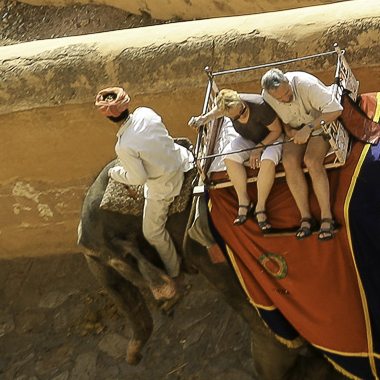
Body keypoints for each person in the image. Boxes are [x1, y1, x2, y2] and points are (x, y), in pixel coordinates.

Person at [96, 86, 193, 288]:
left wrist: (115, 173)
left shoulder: (123, 146)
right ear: (127, 104)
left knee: (152, 232)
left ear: (108, 118)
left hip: (165, 185)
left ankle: (175, 273)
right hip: (181, 159)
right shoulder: (145, 112)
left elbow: (139, 178)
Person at [261, 65, 349, 239]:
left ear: (287, 81)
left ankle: (327, 217)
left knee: (311, 160)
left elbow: (336, 110)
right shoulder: (267, 96)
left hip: (319, 125)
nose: (286, 99)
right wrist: (288, 130)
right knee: (289, 162)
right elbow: (279, 117)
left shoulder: (306, 85)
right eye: (280, 99)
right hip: (295, 130)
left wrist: (309, 128)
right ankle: (306, 217)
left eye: (287, 93)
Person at [189, 87, 284, 227]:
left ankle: (260, 207)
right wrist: (202, 119)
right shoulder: (229, 109)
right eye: (236, 117)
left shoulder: (259, 106)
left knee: (267, 161)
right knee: (229, 156)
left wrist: (259, 148)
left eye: (243, 111)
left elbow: (277, 130)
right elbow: (215, 112)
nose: (241, 116)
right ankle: (244, 201)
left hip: (271, 138)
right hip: (250, 138)